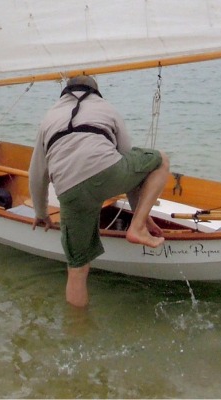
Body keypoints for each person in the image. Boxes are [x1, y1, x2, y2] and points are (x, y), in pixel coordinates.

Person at [28, 74, 169, 308]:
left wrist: (42, 213)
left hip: (68, 190)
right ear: (96, 92)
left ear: (64, 93)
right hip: (107, 174)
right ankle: (136, 229)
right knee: (161, 160)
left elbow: (37, 174)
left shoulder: (49, 117)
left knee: (77, 268)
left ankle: (77, 331)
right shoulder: (107, 108)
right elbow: (129, 162)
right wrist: (139, 216)